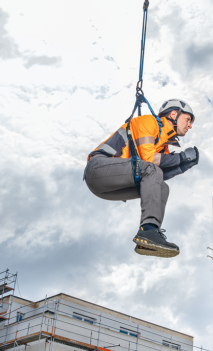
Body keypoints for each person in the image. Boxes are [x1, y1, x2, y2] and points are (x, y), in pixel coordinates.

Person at [84, 99, 199, 258]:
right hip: (97, 169)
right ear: (174, 114)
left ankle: (149, 236)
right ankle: (148, 231)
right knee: (151, 169)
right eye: (188, 119)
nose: (189, 125)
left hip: (107, 187)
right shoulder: (148, 122)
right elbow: (149, 160)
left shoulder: (162, 145)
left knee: (162, 187)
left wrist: (181, 166)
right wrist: (181, 157)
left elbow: (155, 177)